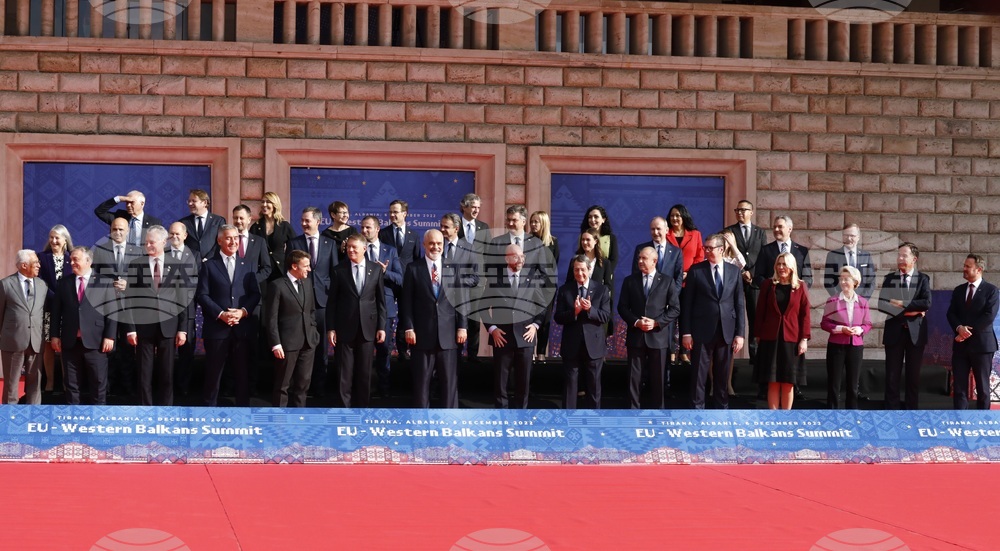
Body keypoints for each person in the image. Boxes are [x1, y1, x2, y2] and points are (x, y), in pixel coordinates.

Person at [399, 229, 468, 408]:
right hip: (421, 336)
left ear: (443, 245)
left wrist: (462, 327)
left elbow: (461, 301)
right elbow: (406, 302)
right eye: (431, 243)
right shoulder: (413, 268)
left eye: (439, 243)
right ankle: (421, 423)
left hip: (449, 337)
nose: (435, 247)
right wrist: (409, 328)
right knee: (422, 385)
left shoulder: (454, 268)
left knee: (449, 384)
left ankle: (450, 422)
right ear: (424, 245)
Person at [124, 226, 190, 406]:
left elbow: (182, 300)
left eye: (152, 242)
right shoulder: (136, 264)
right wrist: (130, 329)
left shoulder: (176, 265)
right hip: (143, 327)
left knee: (167, 373)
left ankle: (166, 410)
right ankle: (145, 410)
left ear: (163, 242)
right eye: (146, 242)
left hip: (168, 326)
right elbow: (128, 300)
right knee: (144, 374)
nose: (148, 245)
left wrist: (182, 330)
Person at [196, 225, 262, 407]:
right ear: (219, 241)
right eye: (228, 238)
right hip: (217, 329)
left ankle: (243, 411)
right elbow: (202, 295)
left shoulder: (247, 265)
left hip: (241, 330)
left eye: (236, 238)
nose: (233, 241)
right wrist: (221, 314)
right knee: (213, 374)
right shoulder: (209, 265)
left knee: (242, 375)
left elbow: (255, 294)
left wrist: (242, 312)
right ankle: (209, 411)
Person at [680, 234, 745, 410]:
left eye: (710, 248)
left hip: (726, 331)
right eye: (705, 248)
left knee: (722, 375)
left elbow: (739, 304)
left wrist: (740, 334)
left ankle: (721, 410)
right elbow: (687, 304)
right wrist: (686, 332)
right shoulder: (696, 270)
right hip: (701, 330)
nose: (706, 251)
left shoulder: (734, 272)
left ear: (721, 250)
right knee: (698, 375)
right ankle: (696, 410)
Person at [50, 246, 118, 405]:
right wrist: (54, 335)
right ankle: (74, 420)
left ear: (88, 261)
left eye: (76, 260)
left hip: (96, 342)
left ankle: (98, 419)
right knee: (71, 385)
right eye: (71, 260)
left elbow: (112, 312)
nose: (72, 263)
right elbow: (56, 312)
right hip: (70, 342)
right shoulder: (64, 283)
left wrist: (110, 336)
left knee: (98, 383)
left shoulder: (104, 282)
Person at [482, 244, 546, 409]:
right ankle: (502, 417)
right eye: (516, 256)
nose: (520, 260)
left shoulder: (532, 278)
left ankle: (520, 416)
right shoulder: (496, 278)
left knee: (523, 383)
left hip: (526, 337)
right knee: (500, 382)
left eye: (522, 256)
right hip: (502, 338)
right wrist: (492, 329)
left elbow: (542, 307)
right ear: (507, 258)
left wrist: (535, 326)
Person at [327, 234, 386, 408]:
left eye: (355, 247)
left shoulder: (375, 270)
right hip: (344, 328)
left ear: (364, 249)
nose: (350, 250)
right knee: (344, 373)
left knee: (364, 372)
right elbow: (332, 302)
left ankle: (363, 408)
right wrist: (331, 328)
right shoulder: (339, 270)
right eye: (349, 247)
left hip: (368, 328)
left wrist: (381, 327)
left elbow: (381, 301)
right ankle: (344, 410)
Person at [618, 246, 680, 409]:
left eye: (644, 258)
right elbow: (622, 307)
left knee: (658, 379)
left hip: (658, 337)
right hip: (636, 336)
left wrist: (656, 322)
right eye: (639, 258)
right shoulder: (629, 281)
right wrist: (636, 322)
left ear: (654, 261)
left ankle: (658, 411)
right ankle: (633, 410)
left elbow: (675, 309)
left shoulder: (667, 281)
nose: (640, 261)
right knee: (634, 378)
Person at [823, 223, 878, 400]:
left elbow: (871, 282)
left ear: (859, 237)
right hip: (839, 315)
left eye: (853, 235)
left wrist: (858, 300)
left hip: (857, 317)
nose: (850, 238)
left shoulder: (866, 256)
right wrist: (841, 299)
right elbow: (828, 281)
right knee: (834, 382)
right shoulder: (833, 255)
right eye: (846, 235)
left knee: (853, 382)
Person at [288, 207, 340, 396]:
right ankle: (300, 389)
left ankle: (319, 390)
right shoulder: (294, 243)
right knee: (301, 347)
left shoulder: (330, 244)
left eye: (307, 221)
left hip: (323, 303)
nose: (303, 224)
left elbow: (334, 274)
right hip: (300, 303)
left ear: (318, 222)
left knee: (321, 349)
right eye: (302, 220)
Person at [877, 242, 931, 410]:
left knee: (913, 376)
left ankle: (911, 411)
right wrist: (912, 312)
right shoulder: (890, 278)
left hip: (916, 334)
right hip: (894, 333)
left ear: (914, 259)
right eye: (899, 255)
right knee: (892, 375)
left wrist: (902, 303)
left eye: (904, 255)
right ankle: (891, 411)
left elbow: (926, 302)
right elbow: (883, 305)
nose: (900, 258)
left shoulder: (923, 279)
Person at [755, 252, 812, 410]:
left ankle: (786, 417)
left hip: (791, 340)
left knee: (788, 382)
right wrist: (758, 334)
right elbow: (760, 311)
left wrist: (804, 339)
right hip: (770, 339)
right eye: (779, 264)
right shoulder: (768, 285)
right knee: (772, 381)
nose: (781, 267)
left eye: (784, 264)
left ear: (792, 267)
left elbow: (805, 315)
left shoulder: (800, 286)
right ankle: (774, 417)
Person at [554, 255, 611, 409]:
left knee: (594, 386)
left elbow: (606, 316)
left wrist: (589, 310)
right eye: (576, 270)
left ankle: (594, 418)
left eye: (582, 270)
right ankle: (569, 418)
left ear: (589, 269)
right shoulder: (565, 290)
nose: (579, 273)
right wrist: (575, 311)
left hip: (594, 345)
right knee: (570, 385)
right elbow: (558, 317)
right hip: (571, 344)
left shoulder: (601, 290)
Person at [266, 250, 321, 408]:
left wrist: (313, 331)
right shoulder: (277, 285)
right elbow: (271, 318)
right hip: (286, 344)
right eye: (306, 266)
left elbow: (310, 311)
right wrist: (276, 344)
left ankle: (299, 417)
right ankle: (279, 419)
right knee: (282, 385)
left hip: (308, 342)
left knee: (303, 385)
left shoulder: (307, 283)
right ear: (294, 266)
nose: (309, 269)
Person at [946, 254, 999, 410]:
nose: (964, 269)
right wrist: (959, 328)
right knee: (959, 388)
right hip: (961, 347)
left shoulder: (991, 290)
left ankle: (981, 424)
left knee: (982, 388)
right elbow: (951, 313)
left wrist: (968, 332)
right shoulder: (959, 290)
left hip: (982, 346)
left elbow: (989, 316)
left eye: (967, 266)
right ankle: (960, 422)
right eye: (964, 265)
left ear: (979, 269)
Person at [359, 216, 402, 398]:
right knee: (365, 349)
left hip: (386, 306)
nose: (364, 231)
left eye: (368, 228)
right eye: (362, 227)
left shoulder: (390, 251)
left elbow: (401, 279)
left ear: (377, 229)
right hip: (364, 308)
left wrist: (384, 272)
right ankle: (365, 388)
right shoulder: (358, 250)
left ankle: (384, 390)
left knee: (384, 348)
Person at [820, 266, 872, 410]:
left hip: (855, 347)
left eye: (846, 279)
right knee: (834, 384)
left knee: (853, 385)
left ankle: (852, 414)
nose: (842, 282)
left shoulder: (863, 302)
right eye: (841, 279)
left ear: (855, 281)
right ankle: (832, 414)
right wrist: (840, 329)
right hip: (836, 346)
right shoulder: (832, 301)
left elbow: (868, 324)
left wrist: (860, 329)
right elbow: (824, 323)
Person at [724, 200, 767, 369]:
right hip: (735, 281)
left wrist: (753, 274)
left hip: (754, 282)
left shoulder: (760, 232)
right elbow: (727, 255)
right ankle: (731, 354)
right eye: (737, 210)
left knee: (755, 318)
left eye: (744, 210)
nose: (740, 212)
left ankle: (755, 357)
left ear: (752, 212)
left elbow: (763, 256)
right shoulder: (730, 231)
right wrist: (742, 272)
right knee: (734, 316)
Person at [0, 250, 46, 405]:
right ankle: (8, 422)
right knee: (11, 385)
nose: (39, 265)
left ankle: (34, 418)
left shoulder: (42, 285)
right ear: (24, 265)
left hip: (36, 342)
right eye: (36, 263)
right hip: (13, 342)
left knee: (35, 385)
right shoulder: (6, 285)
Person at [165, 222, 201, 398]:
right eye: (171, 234)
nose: (174, 237)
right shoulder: (162, 254)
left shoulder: (194, 255)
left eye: (178, 234)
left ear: (185, 236)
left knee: (186, 352)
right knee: (167, 354)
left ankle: (184, 388)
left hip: (188, 310)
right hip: (166, 313)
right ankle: (167, 387)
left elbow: (197, 283)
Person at [667, 204, 705, 367]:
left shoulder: (695, 234)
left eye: (678, 215)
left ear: (684, 217)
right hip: (669, 283)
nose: (675, 218)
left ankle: (683, 351)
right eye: (672, 215)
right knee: (669, 318)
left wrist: (689, 273)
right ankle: (670, 351)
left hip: (689, 283)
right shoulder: (666, 234)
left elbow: (700, 256)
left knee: (686, 317)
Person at [39, 224, 73, 394]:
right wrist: (55, 297)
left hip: (67, 310)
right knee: (48, 347)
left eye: (57, 238)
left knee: (66, 347)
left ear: (65, 240)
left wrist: (64, 299)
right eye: (51, 237)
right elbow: (40, 283)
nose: (53, 241)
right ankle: (50, 382)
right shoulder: (42, 258)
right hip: (48, 308)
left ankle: (68, 384)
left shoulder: (72, 258)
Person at [457, 194, 489, 365]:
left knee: (475, 320)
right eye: (473, 207)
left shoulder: (484, 227)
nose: (476, 210)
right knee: (457, 318)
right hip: (457, 281)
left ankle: (472, 355)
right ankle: (456, 355)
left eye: (478, 207)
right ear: (464, 206)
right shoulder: (455, 225)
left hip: (478, 281)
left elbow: (489, 255)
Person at [530, 210, 558, 360]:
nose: (533, 224)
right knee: (530, 319)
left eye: (536, 222)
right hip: (528, 288)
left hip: (547, 288)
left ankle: (541, 354)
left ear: (544, 223)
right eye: (532, 221)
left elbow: (553, 266)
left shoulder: (553, 242)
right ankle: (530, 353)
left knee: (545, 321)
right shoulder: (526, 240)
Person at [250, 191, 296, 281]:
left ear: (275, 205)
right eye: (263, 202)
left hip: (281, 271)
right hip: (261, 271)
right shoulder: (256, 226)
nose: (264, 204)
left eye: (268, 202)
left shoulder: (284, 226)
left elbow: (294, 248)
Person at [94, 190, 163, 248]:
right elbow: (99, 211)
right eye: (127, 202)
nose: (128, 205)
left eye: (132, 202)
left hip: (142, 259)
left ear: (142, 204)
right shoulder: (119, 217)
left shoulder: (154, 222)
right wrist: (119, 198)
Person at [179, 189, 225, 262]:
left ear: (204, 202)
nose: (190, 204)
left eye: (194, 201)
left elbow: (221, 242)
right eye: (189, 201)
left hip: (212, 262)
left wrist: (208, 258)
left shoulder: (218, 221)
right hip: (191, 264)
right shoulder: (183, 222)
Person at [231, 204, 272, 285]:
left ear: (249, 220)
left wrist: (253, 280)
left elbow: (266, 268)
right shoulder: (227, 241)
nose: (238, 221)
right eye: (235, 218)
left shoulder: (259, 242)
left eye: (241, 218)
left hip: (253, 290)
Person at [379, 199, 421, 267]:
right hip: (389, 275)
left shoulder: (414, 235)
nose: (392, 215)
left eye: (395, 212)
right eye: (390, 212)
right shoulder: (382, 234)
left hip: (407, 275)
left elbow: (417, 259)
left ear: (404, 213)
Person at [581, 205, 619, 279]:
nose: (592, 219)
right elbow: (580, 256)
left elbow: (614, 260)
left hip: (605, 278)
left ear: (603, 219)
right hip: (586, 277)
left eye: (596, 217)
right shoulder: (583, 236)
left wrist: (604, 274)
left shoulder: (611, 238)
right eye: (590, 217)